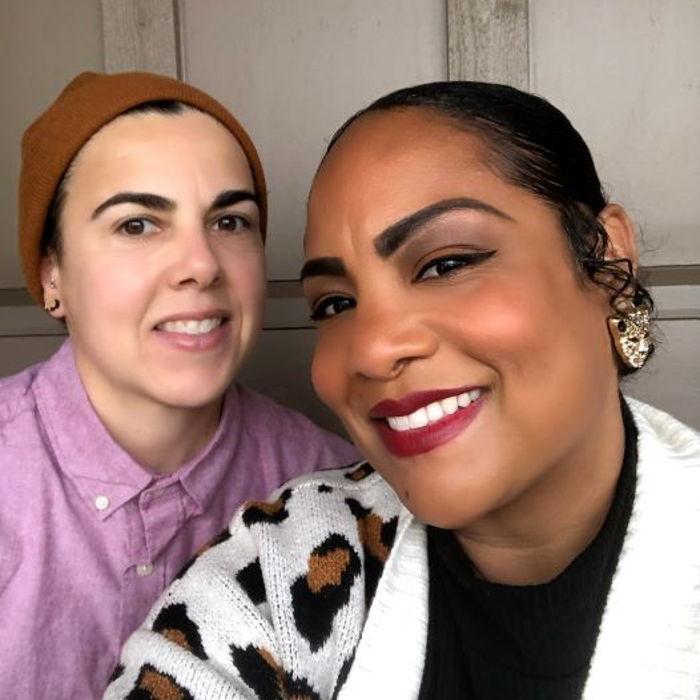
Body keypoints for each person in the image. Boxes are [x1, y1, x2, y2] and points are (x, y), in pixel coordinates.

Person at [105, 82, 700, 699]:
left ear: (606, 255)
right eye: (336, 304)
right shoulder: (276, 573)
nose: (371, 349)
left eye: (447, 263)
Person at [0, 71, 358, 698]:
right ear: (51, 273)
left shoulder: (332, 490)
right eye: (137, 224)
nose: (201, 264)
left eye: (230, 222)